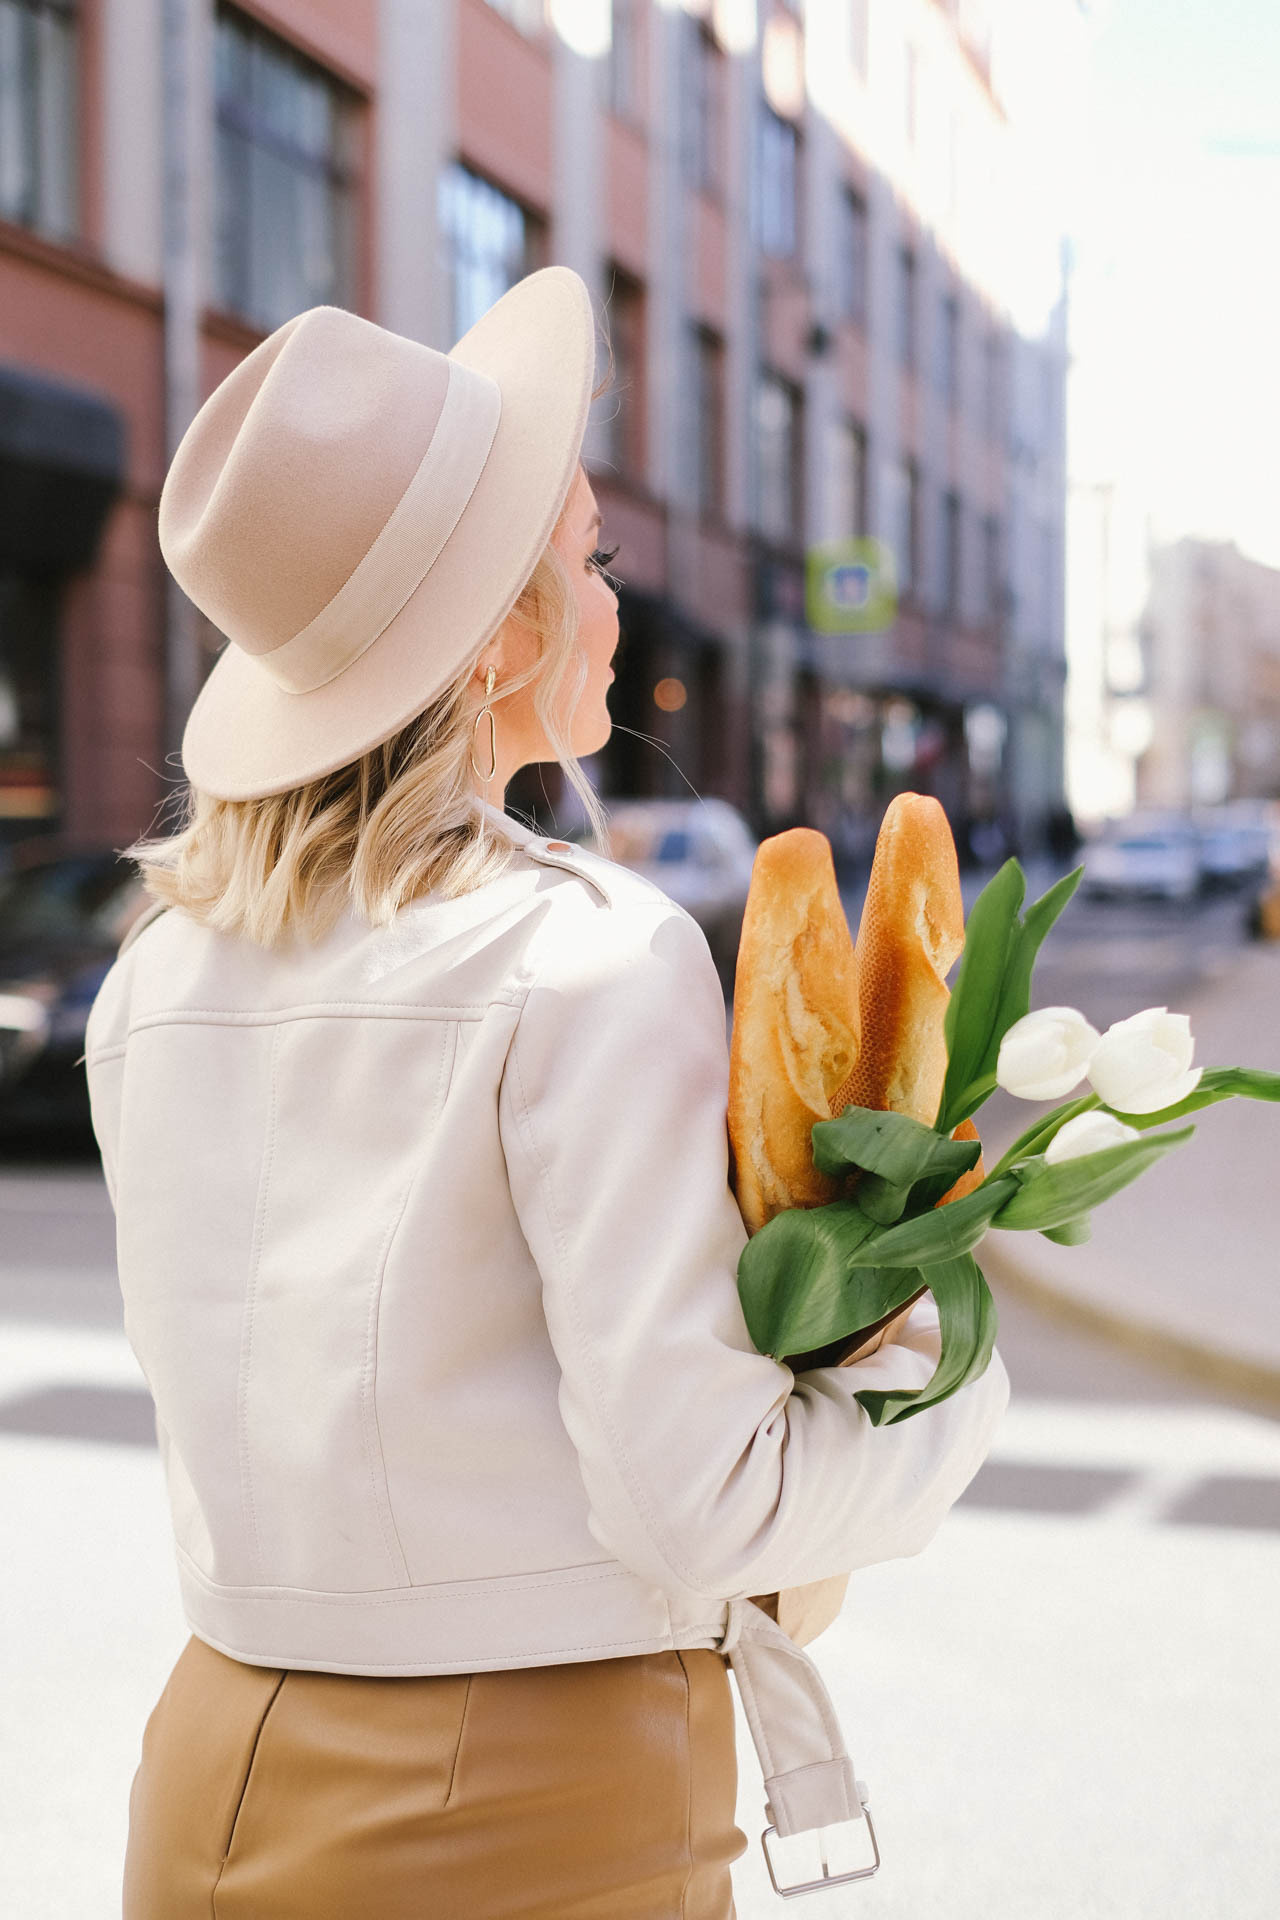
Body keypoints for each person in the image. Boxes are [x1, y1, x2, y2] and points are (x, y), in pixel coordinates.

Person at [84, 266, 1010, 1919]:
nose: (613, 600)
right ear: (499, 633)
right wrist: (946, 1367)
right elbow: (709, 1502)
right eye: (585, 559)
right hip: (525, 1804)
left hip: (212, 1755)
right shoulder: (583, 957)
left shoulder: (155, 972)